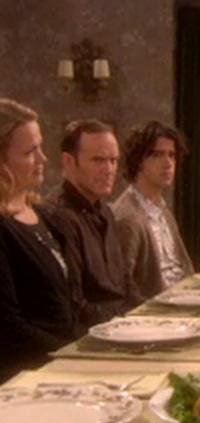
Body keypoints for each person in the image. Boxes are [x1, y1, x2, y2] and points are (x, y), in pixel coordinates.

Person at [0, 98, 79, 381]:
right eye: (30, 152)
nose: (43, 159)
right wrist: (73, 355)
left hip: (63, 366)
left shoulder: (45, 216)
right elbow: (9, 328)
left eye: (40, 147)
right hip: (24, 378)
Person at [47, 119, 142, 327]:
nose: (109, 170)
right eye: (98, 160)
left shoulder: (105, 210)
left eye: (113, 160)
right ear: (69, 162)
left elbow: (125, 283)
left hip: (123, 324)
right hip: (95, 331)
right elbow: (75, 304)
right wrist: (126, 322)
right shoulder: (59, 217)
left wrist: (148, 315)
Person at [112, 121, 193, 299]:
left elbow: (183, 268)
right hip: (158, 308)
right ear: (139, 161)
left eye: (172, 155)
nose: (168, 163)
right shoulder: (127, 217)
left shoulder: (163, 210)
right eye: (157, 155)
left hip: (185, 299)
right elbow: (124, 285)